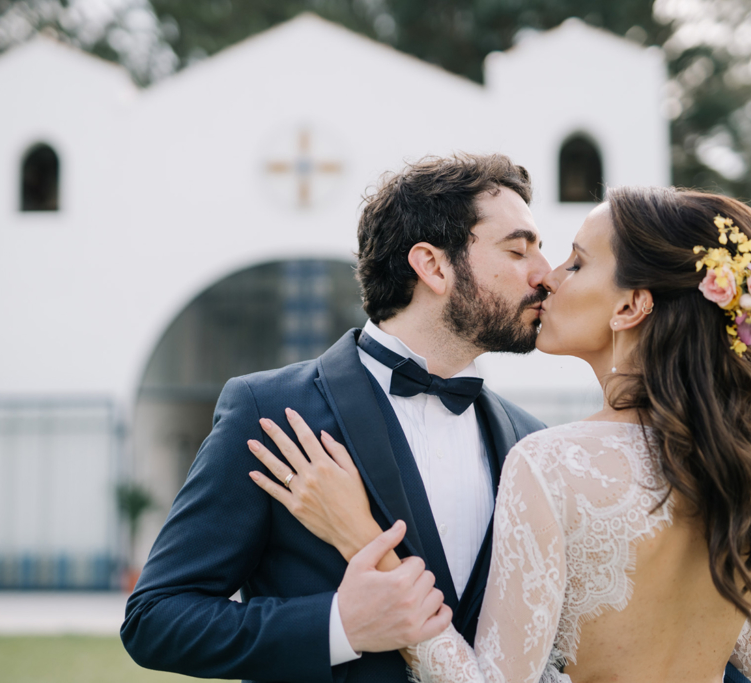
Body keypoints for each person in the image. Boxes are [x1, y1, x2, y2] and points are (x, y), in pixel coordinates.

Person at [247, 187, 751, 683]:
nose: (548, 279)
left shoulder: (552, 462)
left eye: (576, 262)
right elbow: (744, 669)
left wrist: (361, 537)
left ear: (631, 305)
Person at [121, 153, 552, 683]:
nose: (545, 276)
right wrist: (338, 626)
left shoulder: (533, 442)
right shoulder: (270, 411)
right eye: (518, 250)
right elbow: (155, 619)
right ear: (433, 266)